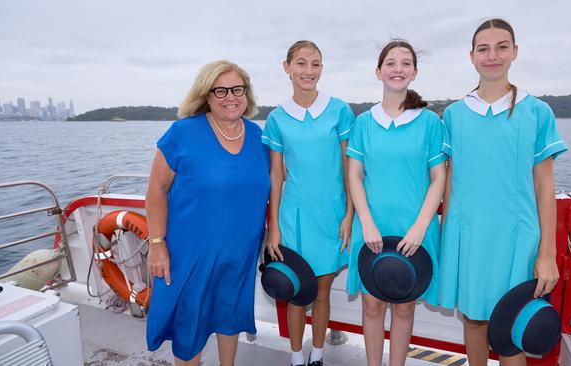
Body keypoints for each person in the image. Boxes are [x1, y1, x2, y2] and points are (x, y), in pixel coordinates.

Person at [437, 18, 568, 366]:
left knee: (512, 330)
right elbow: (450, 183)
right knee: (475, 322)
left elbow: (544, 185)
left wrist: (547, 253)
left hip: (518, 238)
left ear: (514, 52)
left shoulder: (537, 112)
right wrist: (447, 239)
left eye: (501, 47)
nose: (492, 56)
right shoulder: (453, 115)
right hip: (469, 235)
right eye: (484, 49)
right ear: (472, 56)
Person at [145, 60, 271, 366]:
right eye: (220, 90)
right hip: (192, 255)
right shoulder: (183, 133)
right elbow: (157, 190)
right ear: (206, 95)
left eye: (237, 89)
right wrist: (157, 244)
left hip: (240, 254)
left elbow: (274, 188)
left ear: (247, 93)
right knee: (191, 326)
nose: (231, 97)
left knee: (230, 317)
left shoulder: (259, 137)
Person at [345, 40, 446, 366]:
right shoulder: (363, 123)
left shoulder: (430, 123)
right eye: (391, 63)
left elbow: (439, 179)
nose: (398, 69)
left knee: (404, 306)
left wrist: (420, 228)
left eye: (405, 63)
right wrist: (367, 222)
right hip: (371, 225)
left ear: (414, 72)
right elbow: (355, 176)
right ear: (379, 71)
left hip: (415, 227)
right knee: (371, 305)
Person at [262, 40, 355, 366]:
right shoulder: (276, 118)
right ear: (286, 67)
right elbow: (276, 175)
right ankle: (296, 357)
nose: (309, 71)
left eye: (315, 64)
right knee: (296, 292)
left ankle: (317, 355)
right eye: (301, 63)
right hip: (294, 216)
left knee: (321, 292)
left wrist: (349, 214)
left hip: (331, 214)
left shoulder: (339, 110)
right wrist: (273, 228)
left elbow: (349, 168)